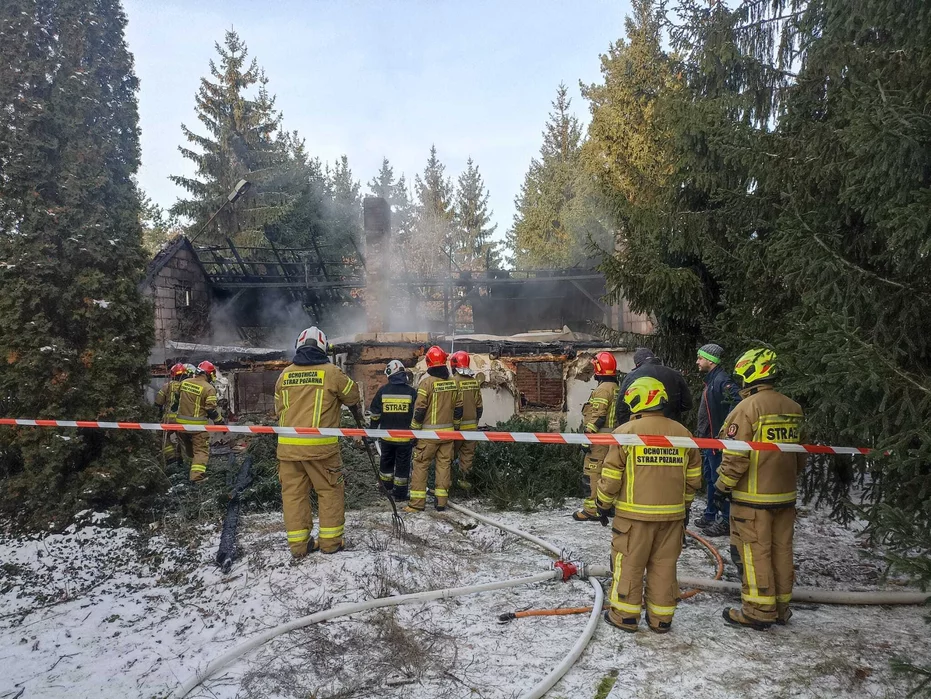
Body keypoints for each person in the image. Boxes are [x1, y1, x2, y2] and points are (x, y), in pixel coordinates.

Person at [596, 376, 702, 633]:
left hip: (634, 517)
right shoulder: (682, 433)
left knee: (629, 564)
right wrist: (684, 508)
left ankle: (625, 617)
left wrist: (602, 503)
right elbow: (694, 478)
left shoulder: (625, 433)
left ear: (636, 400)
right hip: (672, 517)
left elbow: (611, 476)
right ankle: (661, 619)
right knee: (665, 566)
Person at [713, 348, 805, 630]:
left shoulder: (747, 409)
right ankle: (781, 608)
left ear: (752, 374)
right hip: (784, 496)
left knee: (755, 554)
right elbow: (800, 456)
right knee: (782, 551)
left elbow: (736, 455)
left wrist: (722, 487)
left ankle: (757, 611)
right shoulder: (793, 408)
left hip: (752, 499)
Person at [275, 326, 361, 558]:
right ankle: (331, 543)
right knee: (329, 491)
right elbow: (353, 396)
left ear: (298, 346)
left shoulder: (284, 374)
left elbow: (278, 409)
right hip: (321, 449)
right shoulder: (331, 372)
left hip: (288, 450)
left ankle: (299, 546)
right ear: (324, 348)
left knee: (293, 496)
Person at [405, 346, 462, 513]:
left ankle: (417, 503)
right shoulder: (453, 383)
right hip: (448, 434)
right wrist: (456, 429)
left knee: (421, 465)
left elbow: (420, 410)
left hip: (428, 435)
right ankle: (441, 503)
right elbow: (459, 408)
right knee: (444, 466)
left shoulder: (426, 383)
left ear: (429, 363)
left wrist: (414, 432)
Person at [694, 343, 742, 537]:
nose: (697, 361)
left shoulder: (722, 380)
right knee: (710, 478)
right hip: (708, 441)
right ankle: (711, 514)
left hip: (716, 442)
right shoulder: (712, 380)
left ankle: (724, 519)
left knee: (719, 479)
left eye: (700, 358)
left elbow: (737, 402)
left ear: (710, 360)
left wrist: (725, 430)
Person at [573, 352, 621, 522]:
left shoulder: (602, 390)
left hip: (599, 439)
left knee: (592, 473)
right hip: (612, 437)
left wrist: (588, 438)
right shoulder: (616, 388)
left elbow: (598, 416)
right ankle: (608, 506)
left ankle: (591, 510)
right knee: (610, 473)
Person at [369, 359, 417, 501]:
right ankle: (400, 494)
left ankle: (386, 488)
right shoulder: (411, 392)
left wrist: (372, 431)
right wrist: (416, 435)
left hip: (386, 438)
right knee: (402, 468)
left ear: (390, 375)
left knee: (386, 464)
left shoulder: (383, 391)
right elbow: (417, 414)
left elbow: (375, 413)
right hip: (405, 439)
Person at [615, 348, 693, 426]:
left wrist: (627, 427)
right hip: (671, 426)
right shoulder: (675, 374)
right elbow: (687, 404)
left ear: (637, 363)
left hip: (642, 426)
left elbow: (621, 408)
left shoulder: (631, 376)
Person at [175, 360, 224, 482]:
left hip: (180, 425)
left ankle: (183, 471)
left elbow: (177, 397)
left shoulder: (184, 382)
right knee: (201, 451)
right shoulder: (208, 388)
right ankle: (197, 478)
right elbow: (211, 410)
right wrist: (220, 422)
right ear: (209, 374)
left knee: (187, 449)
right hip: (197, 427)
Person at [449, 350, 482, 491]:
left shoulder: (452, 382)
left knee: (448, 457)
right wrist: (475, 422)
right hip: (472, 429)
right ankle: (464, 486)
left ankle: (447, 485)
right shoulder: (474, 383)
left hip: (456, 429)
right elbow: (479, 407)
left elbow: (453, 406)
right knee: (467, 458)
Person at [155, 362, 187, 467]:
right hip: (183, 419)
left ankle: (171, 457)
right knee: (184, 441)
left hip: (168, 419)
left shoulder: (167, 386)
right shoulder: (187, 387)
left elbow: (158, 403)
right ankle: (183, 461)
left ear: (172, 374)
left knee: (161, 436)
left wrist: (158, 414)